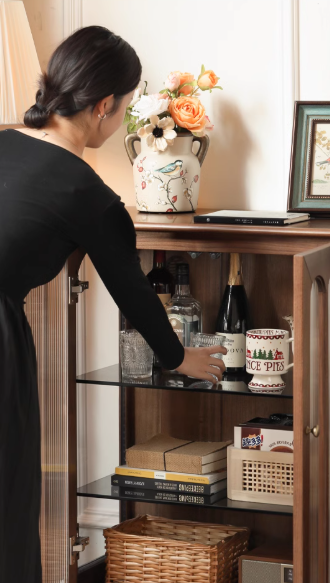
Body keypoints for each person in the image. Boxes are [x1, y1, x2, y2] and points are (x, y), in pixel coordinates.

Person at [0, 25, 226, 583]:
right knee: (5, 493)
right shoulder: (89, 197)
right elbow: (132, 289)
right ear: (104, 106)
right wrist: (181, 359)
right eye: (124, 107)